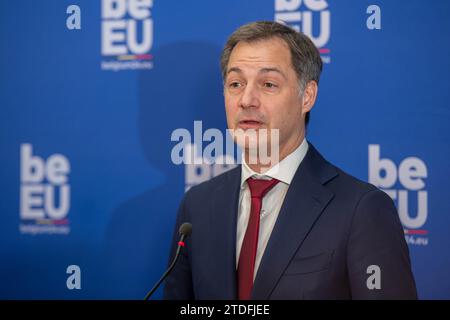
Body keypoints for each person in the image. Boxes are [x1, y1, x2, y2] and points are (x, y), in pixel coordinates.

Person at [163, 21, 417, 299]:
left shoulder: (361, 210)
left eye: (268, 84)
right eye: (236, 83)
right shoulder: (197, 206)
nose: (247, 99)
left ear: (306, 96)